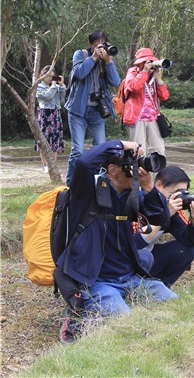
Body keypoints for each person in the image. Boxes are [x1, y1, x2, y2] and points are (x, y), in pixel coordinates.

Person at [56, 140, 177, 343]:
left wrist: (149, 189)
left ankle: (102, 306)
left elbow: (161, 219)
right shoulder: (87, 191)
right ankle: (78, 315)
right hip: (97, 282)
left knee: (174, 305)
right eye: (131, 165)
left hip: (130, 277)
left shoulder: (133, 194)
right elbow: (84, 163)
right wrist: (120, 144)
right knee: (127, 323)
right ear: (112, 170)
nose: (137, 169)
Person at [65, 30, 121, 186]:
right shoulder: (80, 55)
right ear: (90, 44)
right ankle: (71, 184)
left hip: (97, 111)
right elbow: (80, 73)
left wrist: (109, 61)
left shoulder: (105, 60)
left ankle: (97, 183)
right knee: (78, 150)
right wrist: (94, 57)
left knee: (101, 148)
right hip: (78, 110)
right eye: (97, 44)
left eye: (103, 44)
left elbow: (116, 82)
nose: (100, 47)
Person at [135, 166, 194, 287]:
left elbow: (191, 241)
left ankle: (160, 287)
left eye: (183, 194)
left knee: (188, 250)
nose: (179, 198)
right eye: (175, 194)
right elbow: (134, 243)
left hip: (149, 257)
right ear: (158, 185)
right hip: (125, 259)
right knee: (143, 255)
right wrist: (164, 215)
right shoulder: (137, 201)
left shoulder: (172, 209)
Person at [123, 48, 170, 157]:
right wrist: (144, 72)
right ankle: (139, 174)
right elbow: (133, 87)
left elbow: (165, 97)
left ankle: (158, 173)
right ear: (140, 63)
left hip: (153, 118)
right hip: (136, 118)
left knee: (158, 150)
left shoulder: (152, 76)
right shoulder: (133, 72)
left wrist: (159, 80)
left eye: (150, 61)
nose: (149, 64)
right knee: (139, 151)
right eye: (146, 61)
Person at [35, 65, 66, 173]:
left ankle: (53, 165)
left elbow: (62, 98)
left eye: (53, 76)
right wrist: (54, 85)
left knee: (55, 141)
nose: (50, 78)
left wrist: (62, 86)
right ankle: (45, 165)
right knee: (44, 141)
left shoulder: (55, 86)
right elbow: (47, 96)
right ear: (42, 76)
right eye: (48, 76)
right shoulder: (38, 87)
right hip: (44, 114)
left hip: (55, 113)